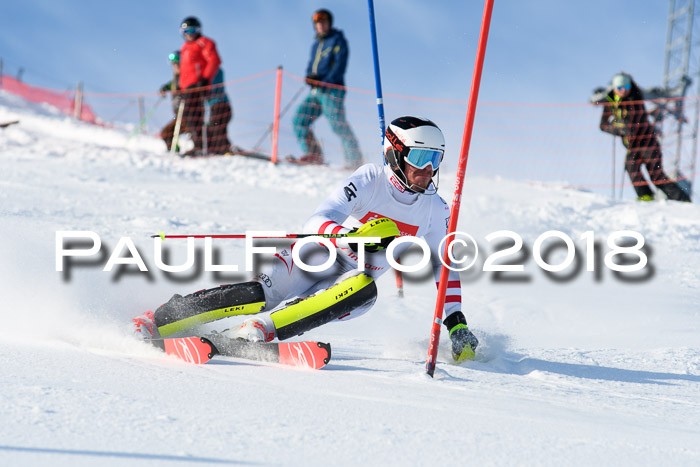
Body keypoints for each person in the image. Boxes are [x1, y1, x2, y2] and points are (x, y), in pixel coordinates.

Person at [133, 116, 479, 363]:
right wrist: (349, 237)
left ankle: (257, 331)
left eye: (435, 159)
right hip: (316, 256)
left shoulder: (434, 209)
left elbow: (443, 267)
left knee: (364, 291)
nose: (428, 170)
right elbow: (318, 218)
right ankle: (160, 317)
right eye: (420, 157)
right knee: (261, 294)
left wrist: (456, 323)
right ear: (395, 154)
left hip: (349, 283)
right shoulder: (371, 179)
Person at [599, 73, 691, 202]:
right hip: (632, 145)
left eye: (626, 86)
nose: (624, 90)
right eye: (620, 87)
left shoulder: (635, 97)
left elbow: (632, 122)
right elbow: (603, 125)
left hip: (648, 143)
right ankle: (645, 196)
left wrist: (622, 125)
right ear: (614, 88)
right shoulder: (610, 101)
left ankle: (683, 200)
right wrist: (618, 129)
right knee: (631, 167)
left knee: (656, 176)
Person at [291, 8, 364, 169]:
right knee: (299, 120)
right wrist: (309, 77)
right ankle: (314, 155)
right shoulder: (316, 44)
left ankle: (355, 160)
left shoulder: (337, 40)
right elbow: (312, 65)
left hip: (332, 90)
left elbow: (340, 65)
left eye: (323, 22)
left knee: (337, 124)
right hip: (316, 91)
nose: (320, 25)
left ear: (329, 23)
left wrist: (324, 82)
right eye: (317, 23)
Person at [178, 16, 222, 156]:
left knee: (195, 115)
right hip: (186, 88)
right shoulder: (184, 48)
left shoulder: (205, 42)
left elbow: (214, 60)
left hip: (198, 86)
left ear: (199, 30)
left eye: (192, 30)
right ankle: (199, 145)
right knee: (189, 117)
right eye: (186, 31)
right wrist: (180, 87)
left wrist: (205, 78)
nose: (189, 34)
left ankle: (203, 146)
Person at [158, 51, 188, 152]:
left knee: (169, 132)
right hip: (178, 111)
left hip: (186, 111)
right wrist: (165, 88)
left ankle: (200, 148)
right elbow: (173, 85)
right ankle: (174, 150)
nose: (175, 66)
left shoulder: (186, 75)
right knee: (167, 133)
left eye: (177, 63)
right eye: (173, 64)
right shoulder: (175, 78)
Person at [205, 67, 233, 154]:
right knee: (216, 128)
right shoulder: (211, 70)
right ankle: (224, 148)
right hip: (218, 105)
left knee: (216, 127)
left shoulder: (214, 70)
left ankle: (223, 149)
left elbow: (215, 87)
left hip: (220, 104)